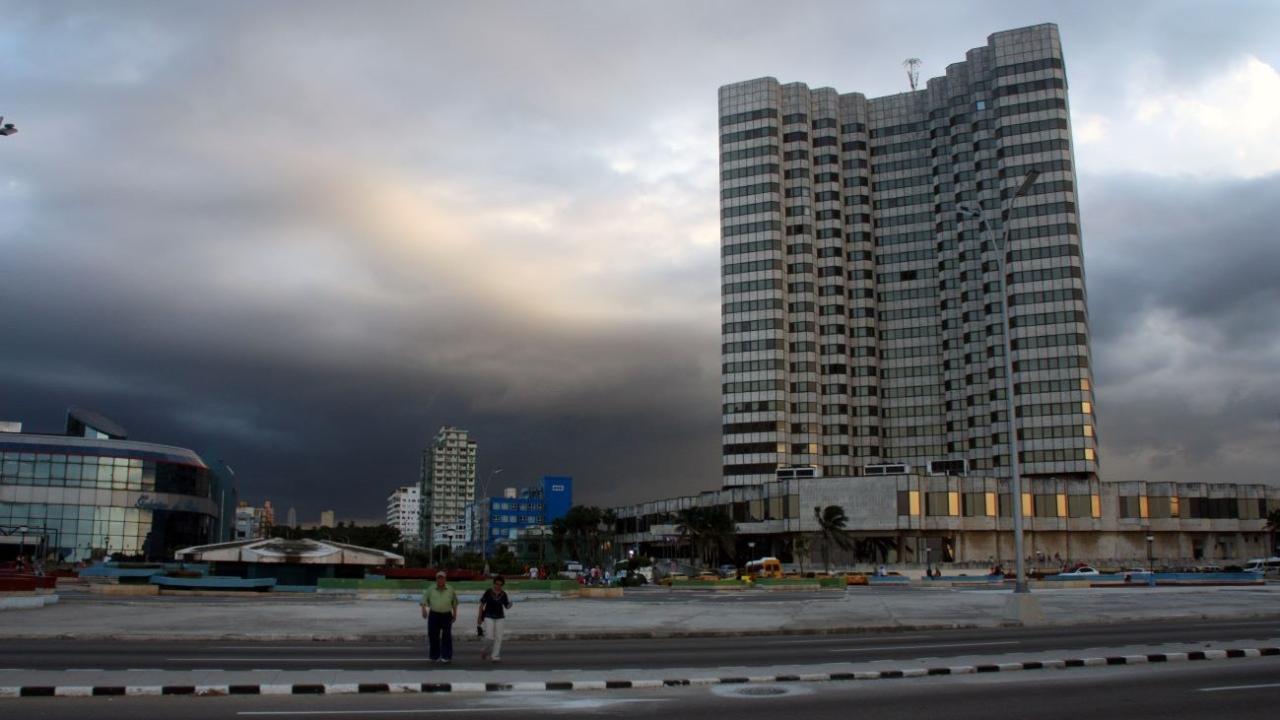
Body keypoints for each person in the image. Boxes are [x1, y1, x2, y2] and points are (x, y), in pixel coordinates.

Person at [420, 571, 459, 664]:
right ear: (436, 579)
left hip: (446, 615)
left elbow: (454, 602)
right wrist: (423, 610)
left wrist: (455, 614)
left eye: (442, 578)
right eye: (438, 578)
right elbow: (424, 599)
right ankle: (434, 656)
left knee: (447, 636)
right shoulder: (431, 588)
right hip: (434, 614)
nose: (440, 580)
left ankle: (446, 656)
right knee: (433, 635)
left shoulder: (450, 589)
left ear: (445, 579)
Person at [477, 575, 513, 662]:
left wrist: (509, 605)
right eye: (496, 584)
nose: (498, 586)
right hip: (488, 616)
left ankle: (495, 656)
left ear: (502, 585)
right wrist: (479, 617)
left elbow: (506, 605)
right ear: (494, 584)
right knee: (489, 637)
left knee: (498, 637)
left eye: (500, 585)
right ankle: (484, 650)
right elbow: (482, 604)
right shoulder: (488, 592)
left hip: (500, 617)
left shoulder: (503, 594)